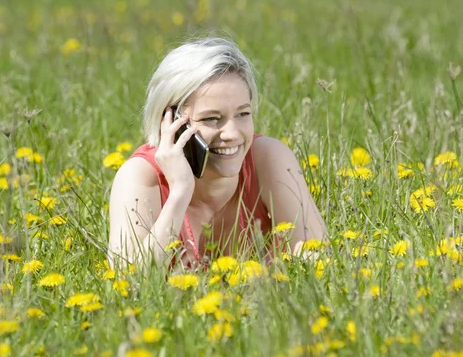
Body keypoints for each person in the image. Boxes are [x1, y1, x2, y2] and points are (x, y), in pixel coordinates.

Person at [108, 37, 326, 270]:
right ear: (170, 122)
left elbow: (320, 261)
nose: (231, 133)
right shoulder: (141, 177)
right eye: (211, 118)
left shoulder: (270, 159)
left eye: (243, 114)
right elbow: (127, 283)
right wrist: (180, 192)